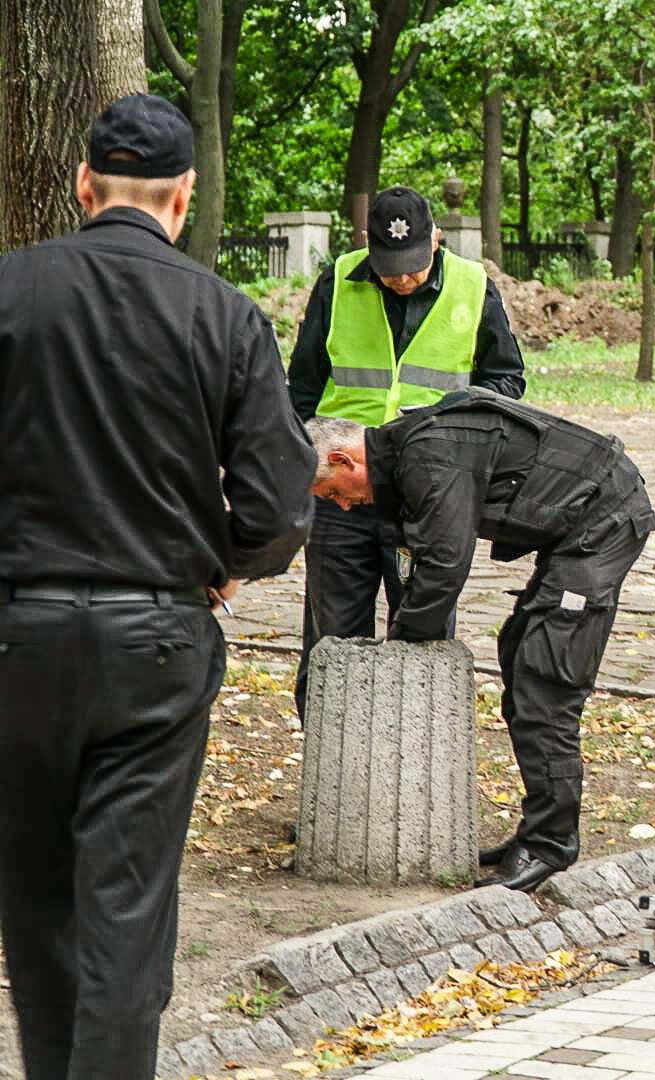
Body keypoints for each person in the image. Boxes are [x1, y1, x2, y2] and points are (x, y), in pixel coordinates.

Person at [0, 94, 315, 1079]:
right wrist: (225, 565)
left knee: (35, 899)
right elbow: (281, 503)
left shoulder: (11, 289)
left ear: (84, 185)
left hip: (18, 636)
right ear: (183, 197)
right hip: (157, 641)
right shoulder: (223, 313)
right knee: (127, 910)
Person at [304, 388, 655, 892]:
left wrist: (406, 642)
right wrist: (408, 631)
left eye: (333, 491)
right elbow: (417, 557)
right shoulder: (403, 460)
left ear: (344, 459)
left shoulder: (428, 455)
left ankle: (551, 845)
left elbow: (446, 560)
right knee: (520, 653)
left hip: (605, 519)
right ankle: (537, 832)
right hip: (574, 530)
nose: (342, 504)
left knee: (545, 680)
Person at [286, 186, 526, 717]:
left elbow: (507, 381)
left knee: (423, 634)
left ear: (436, 239)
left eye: (413, 266)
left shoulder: (473, 285)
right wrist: (302, 466)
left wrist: (449, 422)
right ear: (367, 245)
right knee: (332, 637)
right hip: (341, 489)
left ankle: (421, 743)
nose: (401, 278)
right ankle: (332, 743)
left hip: (427, 493)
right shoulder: (338, 281)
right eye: (390, 267)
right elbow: (302, 386)